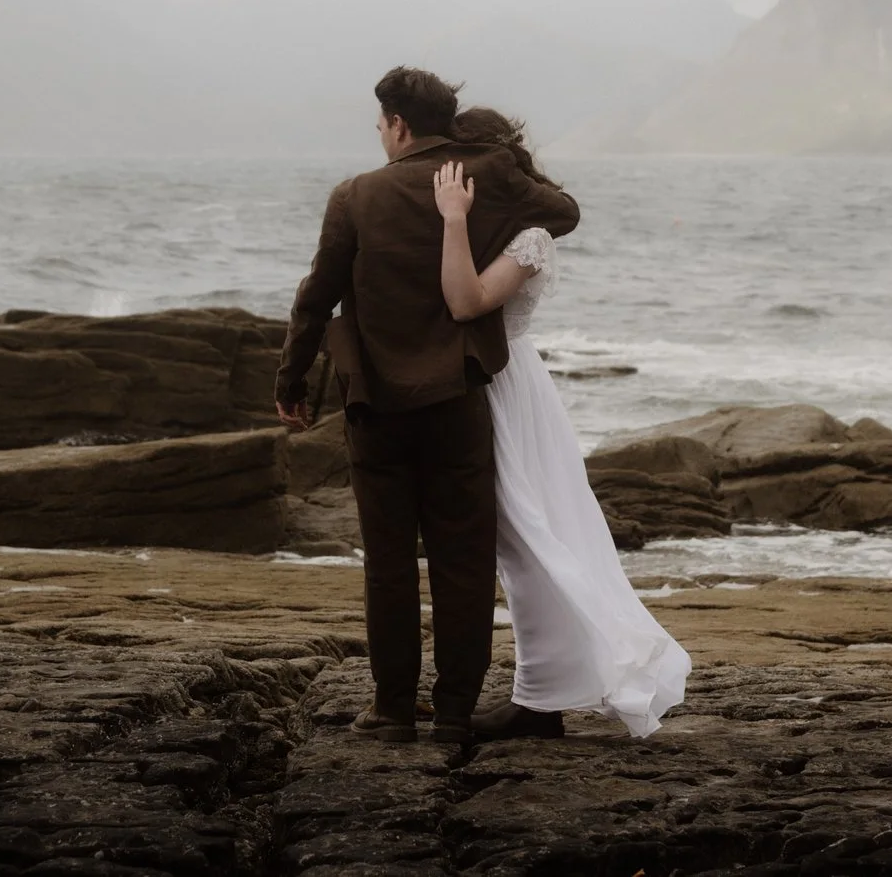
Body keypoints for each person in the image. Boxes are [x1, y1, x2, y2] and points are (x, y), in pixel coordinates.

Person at [276, 67, 581, 745]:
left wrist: (291, 379)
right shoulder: (489, 174)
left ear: (399, 125)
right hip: (456, 400)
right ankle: (451, 713)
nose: (381, 136)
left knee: (387, 560)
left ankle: (390, 712)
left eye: (382, 126)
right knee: (462, 559)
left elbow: (316, 295)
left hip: (376, 404)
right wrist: (487, 193)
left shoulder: (355, 196)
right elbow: (563, 214)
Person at [431, 106, 690, 740]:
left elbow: (466, 303)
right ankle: (540, 696)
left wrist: (454, 220)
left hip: (510, 388)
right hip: (482, 387)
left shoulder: (531, 238)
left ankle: (545, 699)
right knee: (518, 546)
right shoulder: (490, 231)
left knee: (532, 541)